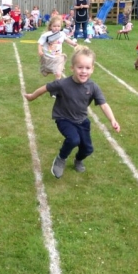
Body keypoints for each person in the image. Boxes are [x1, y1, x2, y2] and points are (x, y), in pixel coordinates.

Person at [24, 46, 121, 179]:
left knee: (87, 149)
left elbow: (104, 105)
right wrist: (32, 96)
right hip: (64, 119)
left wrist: (112, 120)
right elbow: (45, 88)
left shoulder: (93, 87)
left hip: (82, 121)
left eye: (87, 68)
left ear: (92, 69)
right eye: (80, 67)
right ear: (72, 68)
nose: (83, 71)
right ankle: (61, 158)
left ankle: (78, 160)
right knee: (73, 139)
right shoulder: (63, 84)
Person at [37, 14, 78, 80]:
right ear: (51, 26)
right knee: (48, 70)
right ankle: (45, 69)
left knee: (58, 73)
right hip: (48, 57)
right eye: (54, 26)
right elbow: (40, 43)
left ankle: (57, 86)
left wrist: (74, 44)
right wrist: (40, 50)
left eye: (58, 26)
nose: (56, 28)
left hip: (58, 57)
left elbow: (67, 39)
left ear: (61, 26)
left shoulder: (62, 34)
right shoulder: (46, 35)